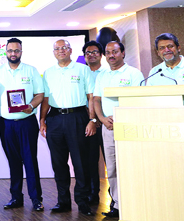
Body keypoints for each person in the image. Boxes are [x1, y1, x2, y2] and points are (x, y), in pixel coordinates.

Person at [144, 33, 184, 220]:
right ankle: (175, 211)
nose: (167, 50)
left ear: (178, 47)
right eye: (162, 48)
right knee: (171, 170)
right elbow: (150, 97)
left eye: (170, 46)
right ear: (158, 52)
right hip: (166, 126)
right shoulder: (155, 71)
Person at [40, 39, 96, 216]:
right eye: (57, 48)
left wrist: (92, 120)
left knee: (81, 162)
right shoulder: (48, 72)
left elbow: (91, 96)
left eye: (64, 48)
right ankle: (63, 201)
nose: (61, 51)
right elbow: (46, 100)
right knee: (59, 164)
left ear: (70, 50)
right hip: (55, 119)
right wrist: (42, 120)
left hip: (78, 117)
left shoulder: (82, 69)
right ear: (54, 52)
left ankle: (82, 201)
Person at [0, 38, 44, 211]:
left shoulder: (31, 70)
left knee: (30, 160)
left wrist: (31, 106)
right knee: (13, 161)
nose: (13, 53)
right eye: (10, 51)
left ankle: (36, 199)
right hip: (6, 124)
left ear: (21, 52)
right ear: (5, 52)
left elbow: (39, 94)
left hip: (27, 123)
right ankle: (16, 198)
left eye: (17, 51)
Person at [93, 41, 144, 218]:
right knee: (113, 168)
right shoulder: (102, 75)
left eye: (115, 52)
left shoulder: (134, 74)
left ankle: (134, 202)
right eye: (108, 53)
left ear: (123, 53)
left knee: (130, 166)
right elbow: (96, 100)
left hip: (128, 126)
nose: (111, 55)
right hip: (108, 127)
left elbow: (139, 100)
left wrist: (124, 117)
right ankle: (118, 204)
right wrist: (101, 119)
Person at [81, 40, 106, 205]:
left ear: (101, 54)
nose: (91, 55)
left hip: (107, 121)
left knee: (111, 160)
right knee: (90, 160)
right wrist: (92, 119)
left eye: (95, 52)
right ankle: (92, 193)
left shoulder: (107, 72)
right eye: (88, 53)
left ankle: (116, 197)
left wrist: (98, 118)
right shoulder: (81, 72)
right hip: (88, 122)